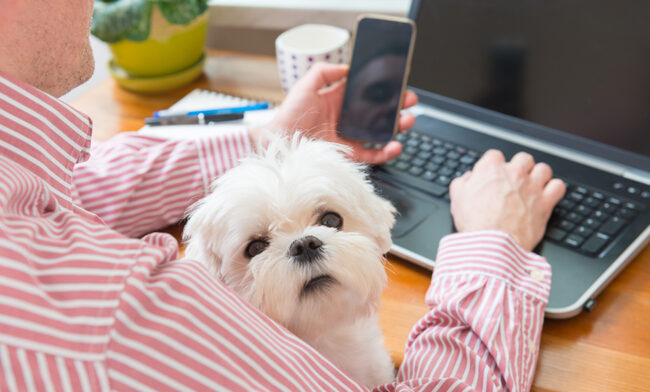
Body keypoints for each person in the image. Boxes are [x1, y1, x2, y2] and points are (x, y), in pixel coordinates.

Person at [0, 0, 566, 391]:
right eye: (254, 247)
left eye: (329, 217)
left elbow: (80, 186)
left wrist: (266, 138)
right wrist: (494, 245)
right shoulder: (111, 325)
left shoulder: (23, 187)